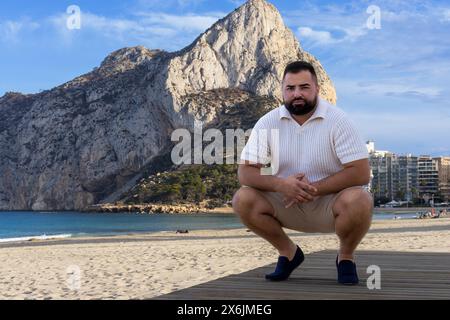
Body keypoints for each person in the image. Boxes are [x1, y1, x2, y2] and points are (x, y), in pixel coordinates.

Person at [232, 61, 373, 285]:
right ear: (282, 91)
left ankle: (345, 257)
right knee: (242, 198)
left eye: (304, 87)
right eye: (290, 88)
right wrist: (281, 185)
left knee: (361, 199)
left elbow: (360, 173)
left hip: (330, 204)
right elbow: (245, 173)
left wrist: (313, 189)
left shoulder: (339, 121)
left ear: (317, 88)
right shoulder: (267, 122)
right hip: (287, 202)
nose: (297, 94)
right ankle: (288, 252)